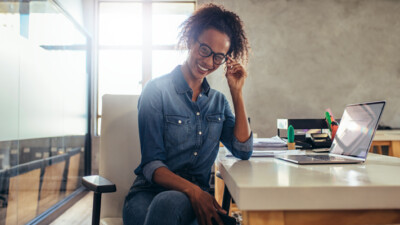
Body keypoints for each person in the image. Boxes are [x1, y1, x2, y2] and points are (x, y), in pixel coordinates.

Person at [123, 3, 253, 225]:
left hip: (194, 202)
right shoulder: (156, 91)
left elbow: (242, 150)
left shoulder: (218, 102)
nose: (208, 62)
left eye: (218, 57)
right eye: (204, 50)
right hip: (148, 196)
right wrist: (194, 191)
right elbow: (152, 165)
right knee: (168, 203)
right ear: (191, 40)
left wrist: (236, 91)